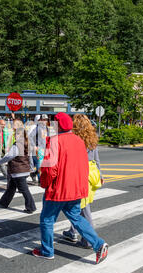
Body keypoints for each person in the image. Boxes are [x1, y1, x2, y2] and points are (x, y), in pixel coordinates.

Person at [32, 112, 108, 264]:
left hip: (58, 190)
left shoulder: (54, 141)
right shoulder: (79, 141)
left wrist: (44, 183)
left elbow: (50, 169)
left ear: (58, 125)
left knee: (46, 219)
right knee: (77, 218)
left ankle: (47, 251)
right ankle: (99, 244)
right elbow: (84, 166)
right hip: (76, 189)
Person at [62, 114, 104, 249]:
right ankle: (72, 231)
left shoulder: (75, 140)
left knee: (84, 209)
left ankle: (89, 240)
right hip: (92, 174)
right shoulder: (92, 139)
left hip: (81, 174)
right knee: (78, 205)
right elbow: (96, 160)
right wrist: (100, 175)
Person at [0, 119, 36, 214]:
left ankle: (31, 207)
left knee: (24, 190)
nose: (14, 135)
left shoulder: (18, 144)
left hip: (18, 171)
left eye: (16, 134)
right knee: (11, 187)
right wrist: (31, 167)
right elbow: (29, 157)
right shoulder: (26, 143)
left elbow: (10, 156)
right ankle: (3, 202)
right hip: (22, 169)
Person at [29, 114, 49, 184]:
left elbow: (47, 138)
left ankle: (34, 174)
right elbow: (30, 137)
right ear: (40, 120)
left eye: (46, 120)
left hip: (45, 149)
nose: (44, 121)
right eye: (43, 120)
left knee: (44, 165)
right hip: (39, 149)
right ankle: (40, 180)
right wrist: (34, 146)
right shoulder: (37, 128)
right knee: (39, 165)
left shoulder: (46, 128)